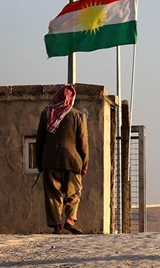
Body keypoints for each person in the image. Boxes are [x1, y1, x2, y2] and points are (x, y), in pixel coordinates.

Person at [35, 84, 89, 234]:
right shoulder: (78, 116)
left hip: (50, 160)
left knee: (53, 194)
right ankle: (70, 220)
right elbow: (83, 142)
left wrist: (39, 162)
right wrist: (84, 163)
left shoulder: (46, 114)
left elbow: (40, 140)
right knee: (73, 192)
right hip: (72, 161)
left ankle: (56, 226)